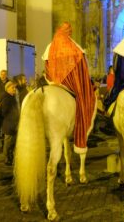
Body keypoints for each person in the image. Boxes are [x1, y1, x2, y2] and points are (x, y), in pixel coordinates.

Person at [42, 22, 96, 154]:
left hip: (53, 82)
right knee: (86, 99)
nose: (70, 32)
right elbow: (82, 71)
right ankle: (81, 132)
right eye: (69, 30)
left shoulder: (50, 47)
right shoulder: (74, 47)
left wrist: (54, 80)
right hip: (72, 83)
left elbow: (47, 69)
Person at [1, 81, 19, 166]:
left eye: (14, 88)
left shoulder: (12, 97)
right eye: (12, 88)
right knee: (8, 143)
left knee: (12, 143)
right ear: (7, 89)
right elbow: (4, 112)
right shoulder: (6, 99)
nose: (14, 89)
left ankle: (10, 158)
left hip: (13, 124)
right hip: (9, 124)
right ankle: (7, 158)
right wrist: (12, 117)